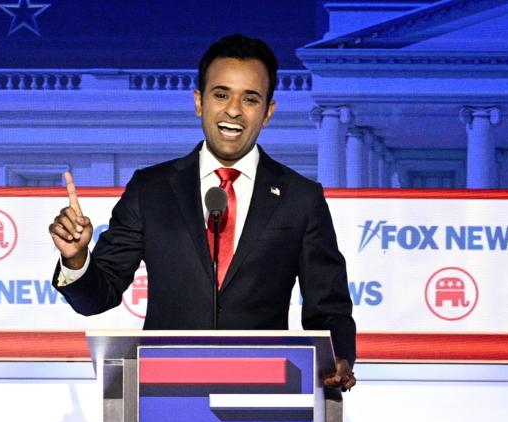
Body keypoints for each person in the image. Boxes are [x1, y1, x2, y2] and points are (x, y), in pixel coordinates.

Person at [49, 33, 357, 392]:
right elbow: (97, 297)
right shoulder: (152, 189)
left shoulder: (300, 198)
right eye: (221, 94)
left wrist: (339, 356)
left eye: (251, 99)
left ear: (269, 112)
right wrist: (76, 259)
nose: (233, 110)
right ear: (199, 101)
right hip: (165, 394)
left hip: (267, 399)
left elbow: (329, 306)